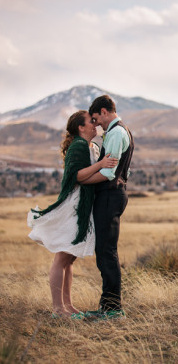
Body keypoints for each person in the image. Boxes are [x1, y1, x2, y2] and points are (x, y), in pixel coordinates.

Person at [28, 110, 118, 318]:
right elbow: (75, 176)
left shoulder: (90, 146)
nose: (95, 124)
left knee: (69, 259)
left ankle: (67, 306)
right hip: (73, 207)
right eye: (90, 121)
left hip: (82, 207)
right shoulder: (78, 145)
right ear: (80, 127)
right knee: (61, 258)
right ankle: (58, 309)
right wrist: (101, 165)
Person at [83, 95, 134, 320]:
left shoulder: (115, 133)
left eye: (96, 119)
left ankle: (113, 309)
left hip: (109, 196)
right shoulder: (121, 131)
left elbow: (107, 173)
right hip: (114, 194)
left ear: (104, 112)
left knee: (106, 253)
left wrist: (81, 180)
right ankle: (107, 306)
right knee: (105, 252)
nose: (96, 124)